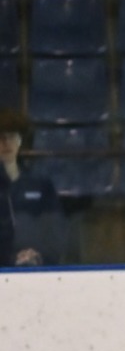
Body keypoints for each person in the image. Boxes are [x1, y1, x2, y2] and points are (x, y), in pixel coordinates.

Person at [0, 109, 66, 267]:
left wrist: (40, 257)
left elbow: (55, 231)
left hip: (37, 272)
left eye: (12, 136)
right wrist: (10, 259)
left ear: (20, 140)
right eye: (1, 137)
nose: (6, 143)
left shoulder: (40, 184)